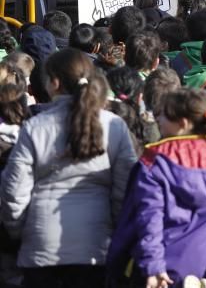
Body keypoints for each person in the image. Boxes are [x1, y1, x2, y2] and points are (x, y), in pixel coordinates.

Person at [1, 49, 136, 287]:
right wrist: (113, 229)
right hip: (97, 246)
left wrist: (23, 231)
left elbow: (14, 192)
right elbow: (125, 190)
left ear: (54, 83)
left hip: (42, 246)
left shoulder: (34, 127)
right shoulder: (115, 126)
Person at [107, 88, 206, 288]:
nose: (158, 119)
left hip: (167, 265)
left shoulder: (155, 160)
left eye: (164, 115)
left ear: (182, 124)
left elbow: (149, 218)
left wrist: (153, 265)